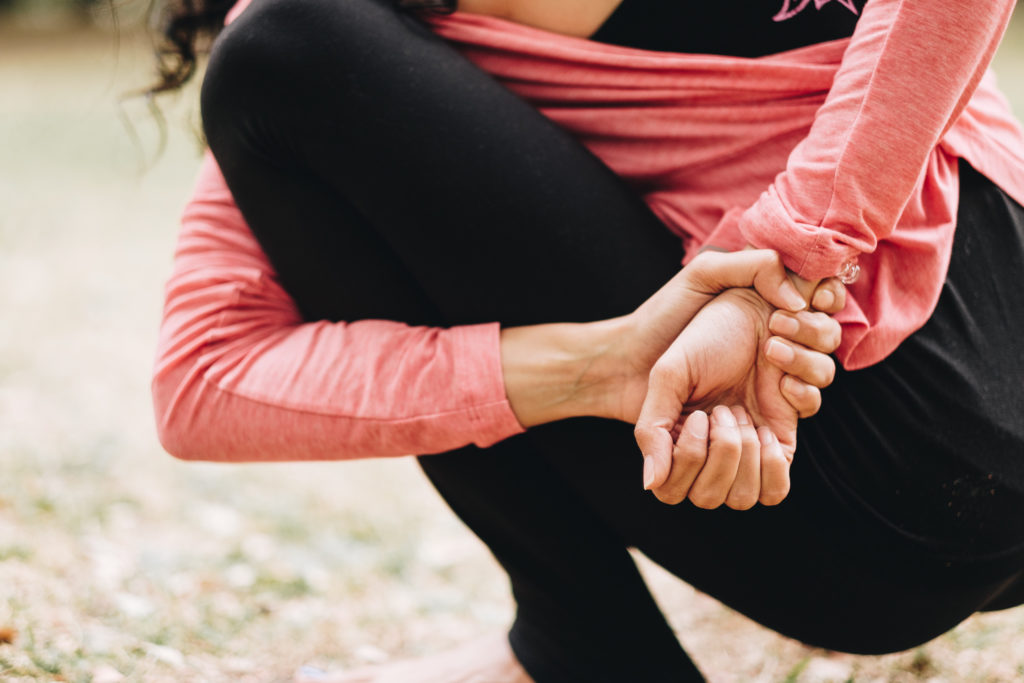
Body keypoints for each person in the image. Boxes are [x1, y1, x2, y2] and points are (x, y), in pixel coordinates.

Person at [149, 0, 1024, 680]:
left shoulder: (312, 44)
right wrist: (606, 364)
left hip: (858, 470)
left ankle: (576, 641)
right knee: (281, 54)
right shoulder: (334, 38)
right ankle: (572, 637)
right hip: (836, 467)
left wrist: (788, 257)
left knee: (281, 55)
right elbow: (201, 379)